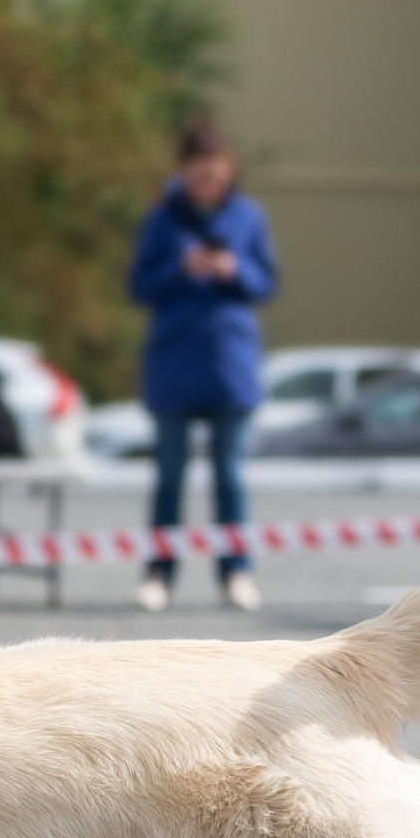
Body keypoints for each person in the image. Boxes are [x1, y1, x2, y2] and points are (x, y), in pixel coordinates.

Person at [127, 114, 278, 614]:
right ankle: (159, 573)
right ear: (184, 172)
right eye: (199, 175)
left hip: (230, 365)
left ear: (229, 171)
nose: (209, 184)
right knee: (169, 476)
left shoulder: (248, 217)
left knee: (230, 476)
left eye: (217, 174)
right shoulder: (162, 219)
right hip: (173, 363)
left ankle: (236, 572)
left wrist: (234, 269)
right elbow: (139, 286)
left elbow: (266, 283)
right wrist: (182, 268)